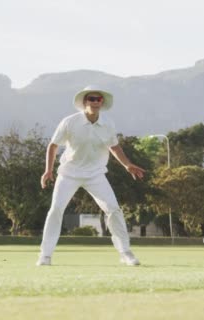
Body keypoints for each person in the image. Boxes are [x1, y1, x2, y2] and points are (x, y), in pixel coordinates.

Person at [37, 85, 145, 266]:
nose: (95, 102)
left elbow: (114, 146)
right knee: (56, 209)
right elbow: (53, 145)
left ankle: (125, 253)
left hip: (95, 174)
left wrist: (127, 165)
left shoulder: (108, 123)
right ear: (84, 102)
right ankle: (45, 255)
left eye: (99, 99)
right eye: (91, 99)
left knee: (113, 209)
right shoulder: (69, 122)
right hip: (69, 173)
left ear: (102, 103)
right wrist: (48, 170)